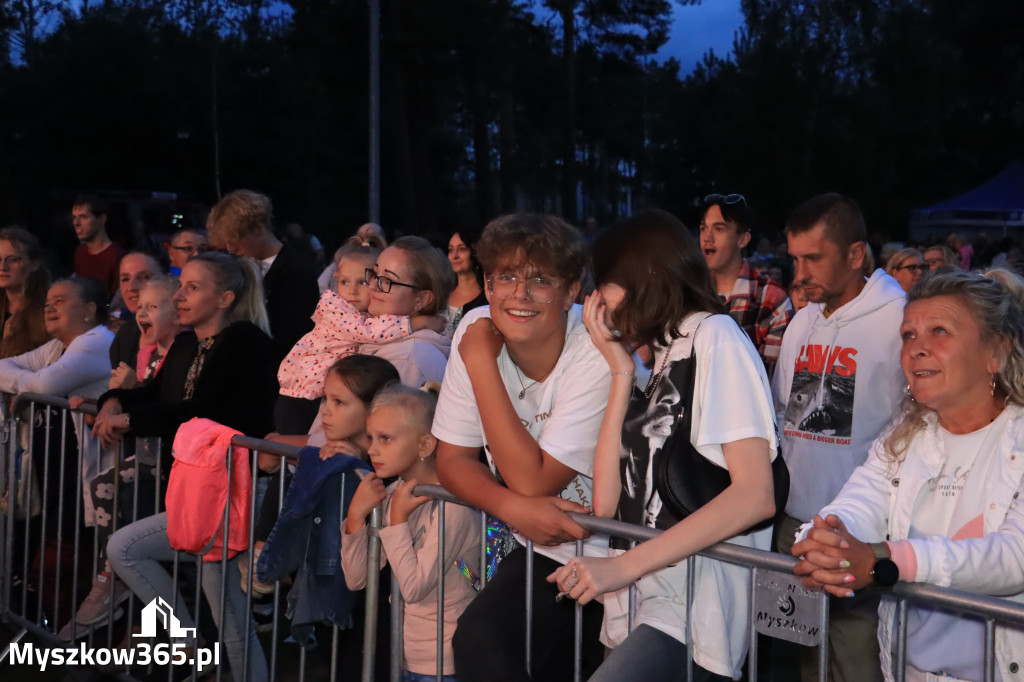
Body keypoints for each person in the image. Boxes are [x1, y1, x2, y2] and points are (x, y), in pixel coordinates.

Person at [546, 209, 778, 681]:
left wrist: (624, 567)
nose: (597, 299)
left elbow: (756, 493)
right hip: (642, 599)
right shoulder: (669, 349)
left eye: (606, 282)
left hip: (693, 607)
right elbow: (608, 500)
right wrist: (621, 368)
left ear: (644, 278)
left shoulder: (716, 338)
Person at [792, 269, 1024, 682]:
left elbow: (1013, 557)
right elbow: (861, 500)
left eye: (939, 331)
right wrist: (824, 538)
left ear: (997, 352)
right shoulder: (905, 434)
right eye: (908, 335)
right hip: (909, 669)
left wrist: (887, 560)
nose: (917, 349)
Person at [433, 213, 611, 682]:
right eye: (506, 277)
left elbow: (535, 480)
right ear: (487, 284)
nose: (519, 294)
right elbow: (451, 459)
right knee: (481, 639)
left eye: (540, 280)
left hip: (627, 552)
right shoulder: (477, 326)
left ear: (572, 291)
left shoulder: (594, 347)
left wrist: (480, 363)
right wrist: (513, 508)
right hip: (549, 547)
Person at [100, 252, 278, 682]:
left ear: (225, 298)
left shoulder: (245, 343)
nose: (178, 295)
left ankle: (204, 652)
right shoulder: (185, 343)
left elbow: (207, 411)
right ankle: (187, 642)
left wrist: (129, 419)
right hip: (195, 491)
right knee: (126, 549)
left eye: (192, 288)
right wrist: (114, 400)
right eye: (181, 286)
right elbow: (159, 395)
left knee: (232, 619)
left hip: (229, 489)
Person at [773, 193, 906, 682]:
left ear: (854, 255)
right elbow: (784, 412)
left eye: (813, 258)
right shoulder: (802, 321)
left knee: (858, 660)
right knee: (809, 657)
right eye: (794, 259)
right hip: (796, 521)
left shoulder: (898, 321)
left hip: (860, 531)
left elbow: (912, 427)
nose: (800, 272)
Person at [59, 277, 182, 640]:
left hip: (167, 463)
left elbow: (158, 403)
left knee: (115, 499)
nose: (141, 312)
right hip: (146, 457)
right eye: (139, 307)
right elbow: (136, 400)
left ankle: (114, 583)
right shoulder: (148, 351)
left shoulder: (179, 352)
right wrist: (102, 403)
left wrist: (125, 393)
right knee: (102, 486)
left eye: (153, 306)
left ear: (178, 315)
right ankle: (109, 576)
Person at [342, 384, 480, 682]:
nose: (373, 449)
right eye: (371, 438)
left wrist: (397, 521)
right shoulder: (394, 494)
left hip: (445, 663)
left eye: (386, 439)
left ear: (425, 445)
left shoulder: (453, 507)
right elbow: (357, 579)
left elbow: (413, 588)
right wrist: (355, 518)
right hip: (406, 656)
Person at [275, 237, 440, 436]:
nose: (372, 286)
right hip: (300, 396)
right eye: (374, 276)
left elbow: (349, 440)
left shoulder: (405, 355)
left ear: (422, 299)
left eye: (385, 280)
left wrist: (287, 447)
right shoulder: (338, 309)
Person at [206, 189, 320, 361]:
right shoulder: (240, 266)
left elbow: (292, 335)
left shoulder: (297, 271)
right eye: (226, 243)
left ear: (258, 230)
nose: (231, 248)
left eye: (234, 239)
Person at [699, 193, 793, 377]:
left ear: (742, 239)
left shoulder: (770, 297)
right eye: (703, 228)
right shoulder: (690, 292)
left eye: (719, 229)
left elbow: (773, 377)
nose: (707, 237)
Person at [0, 227, 51, 358]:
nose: (3, 267)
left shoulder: (48, 313)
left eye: (12, 259)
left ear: (34, 264)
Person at [108, 252, 163, 370]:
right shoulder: (126, 332)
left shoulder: (179, 334)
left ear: (167, 278)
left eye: (144, 277)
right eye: (125, 279)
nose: (131, 287)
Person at [71, 195, 124, 297]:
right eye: (74, 218)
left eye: (83, 217)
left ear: (102, 219)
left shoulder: (116, 255)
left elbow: (119, 297)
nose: (76, 223)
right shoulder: (80, 252)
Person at [445, 227, 488, 335]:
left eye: (462, 248)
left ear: (475, 252)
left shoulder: (487, 299)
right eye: (450, 250)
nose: (454, 255)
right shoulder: (441, 294)